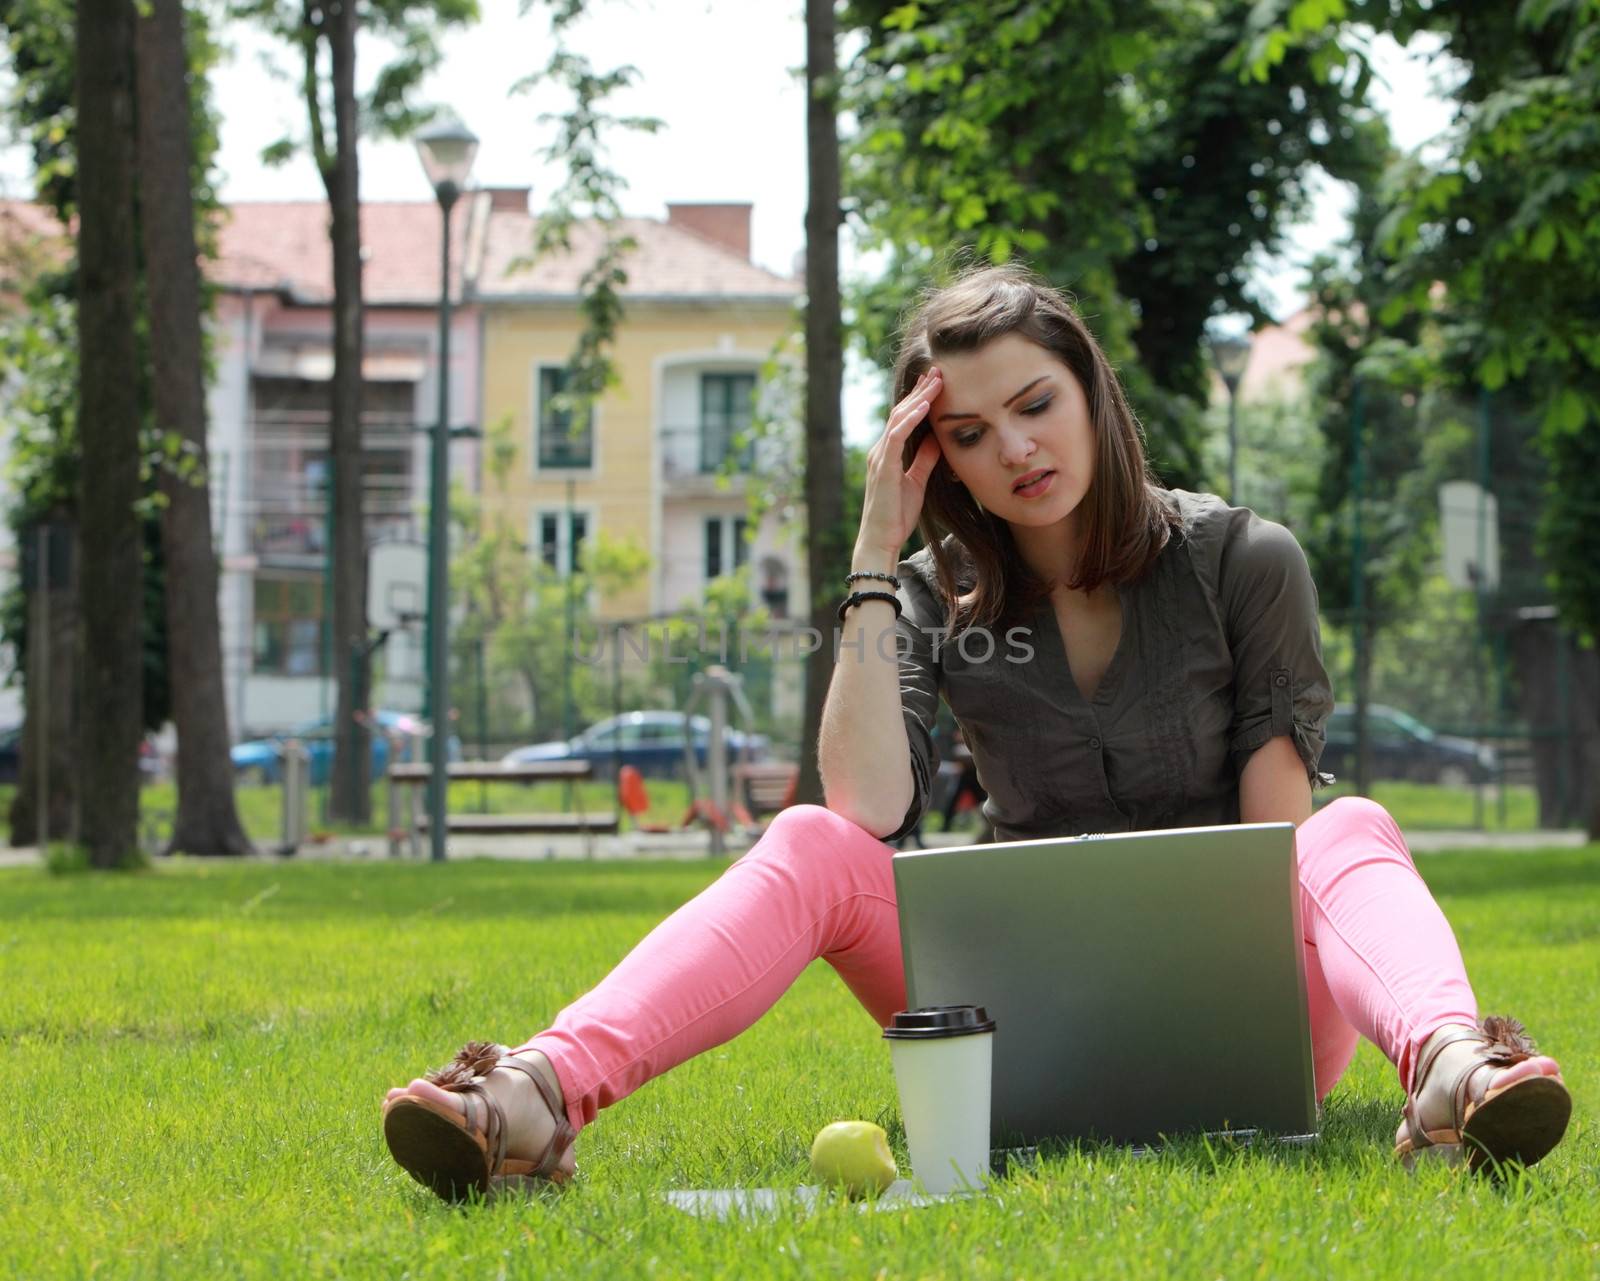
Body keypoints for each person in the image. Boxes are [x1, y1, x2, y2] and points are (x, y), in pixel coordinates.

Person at [381, 264, 1572, 1200]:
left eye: (1036, 405)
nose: (1014, 449)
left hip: (1252, 1023)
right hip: (1012, 1036)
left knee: (1345, 824)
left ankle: (1454, 1073)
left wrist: (1217, 974)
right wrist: (869, 552)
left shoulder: (1242, 562)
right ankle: (534, 1099)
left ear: (1092, 393)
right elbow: (862, 813)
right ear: (931, 454)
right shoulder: (922, 593)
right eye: (968, 432)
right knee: (806, 840)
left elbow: (1278, 842)